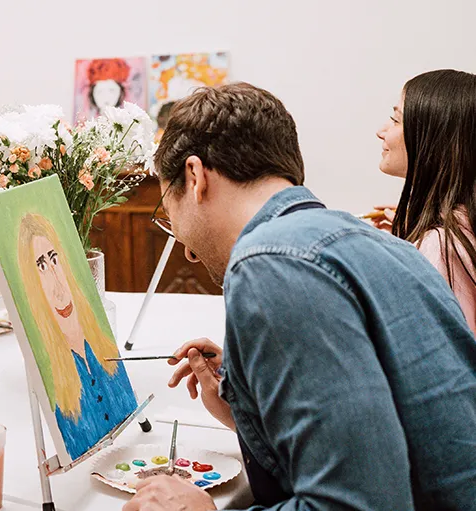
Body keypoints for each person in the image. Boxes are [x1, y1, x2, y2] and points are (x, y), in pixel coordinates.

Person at [124, 83, 476, 510]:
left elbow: (356, 503)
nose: (186, 248)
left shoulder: (270, 259)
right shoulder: (383, 244)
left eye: (170, 210)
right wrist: (252, 405)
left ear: (195, 177)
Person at [17, 213, 136, 460]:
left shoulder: (102, 350)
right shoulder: (61, 391)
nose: (58, 285)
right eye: (41, 267)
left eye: (54, 260)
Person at [371, 69, 476, 333]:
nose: (381, 131)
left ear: (433, 140)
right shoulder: (457, 233)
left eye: (396, 120)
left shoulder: (441, 247)